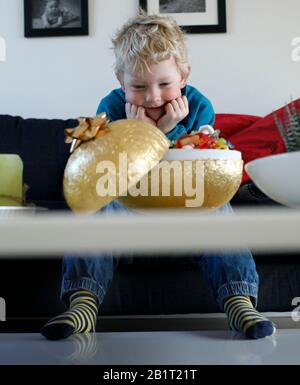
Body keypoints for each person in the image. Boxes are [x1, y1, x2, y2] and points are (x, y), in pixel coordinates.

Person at [41, 12, 276, 341]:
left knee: (220, 214)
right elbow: (106, 164)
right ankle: (82, 304)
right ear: (121, 82)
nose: (153, 97)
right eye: (138, 87)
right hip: (128, 212)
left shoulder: (198, 106)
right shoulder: (110, 106)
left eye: (164, 84)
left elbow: (197, 163)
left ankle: (239, 302)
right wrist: (143, 132)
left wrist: (163, 132)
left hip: (186, 211)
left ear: (183, 76)